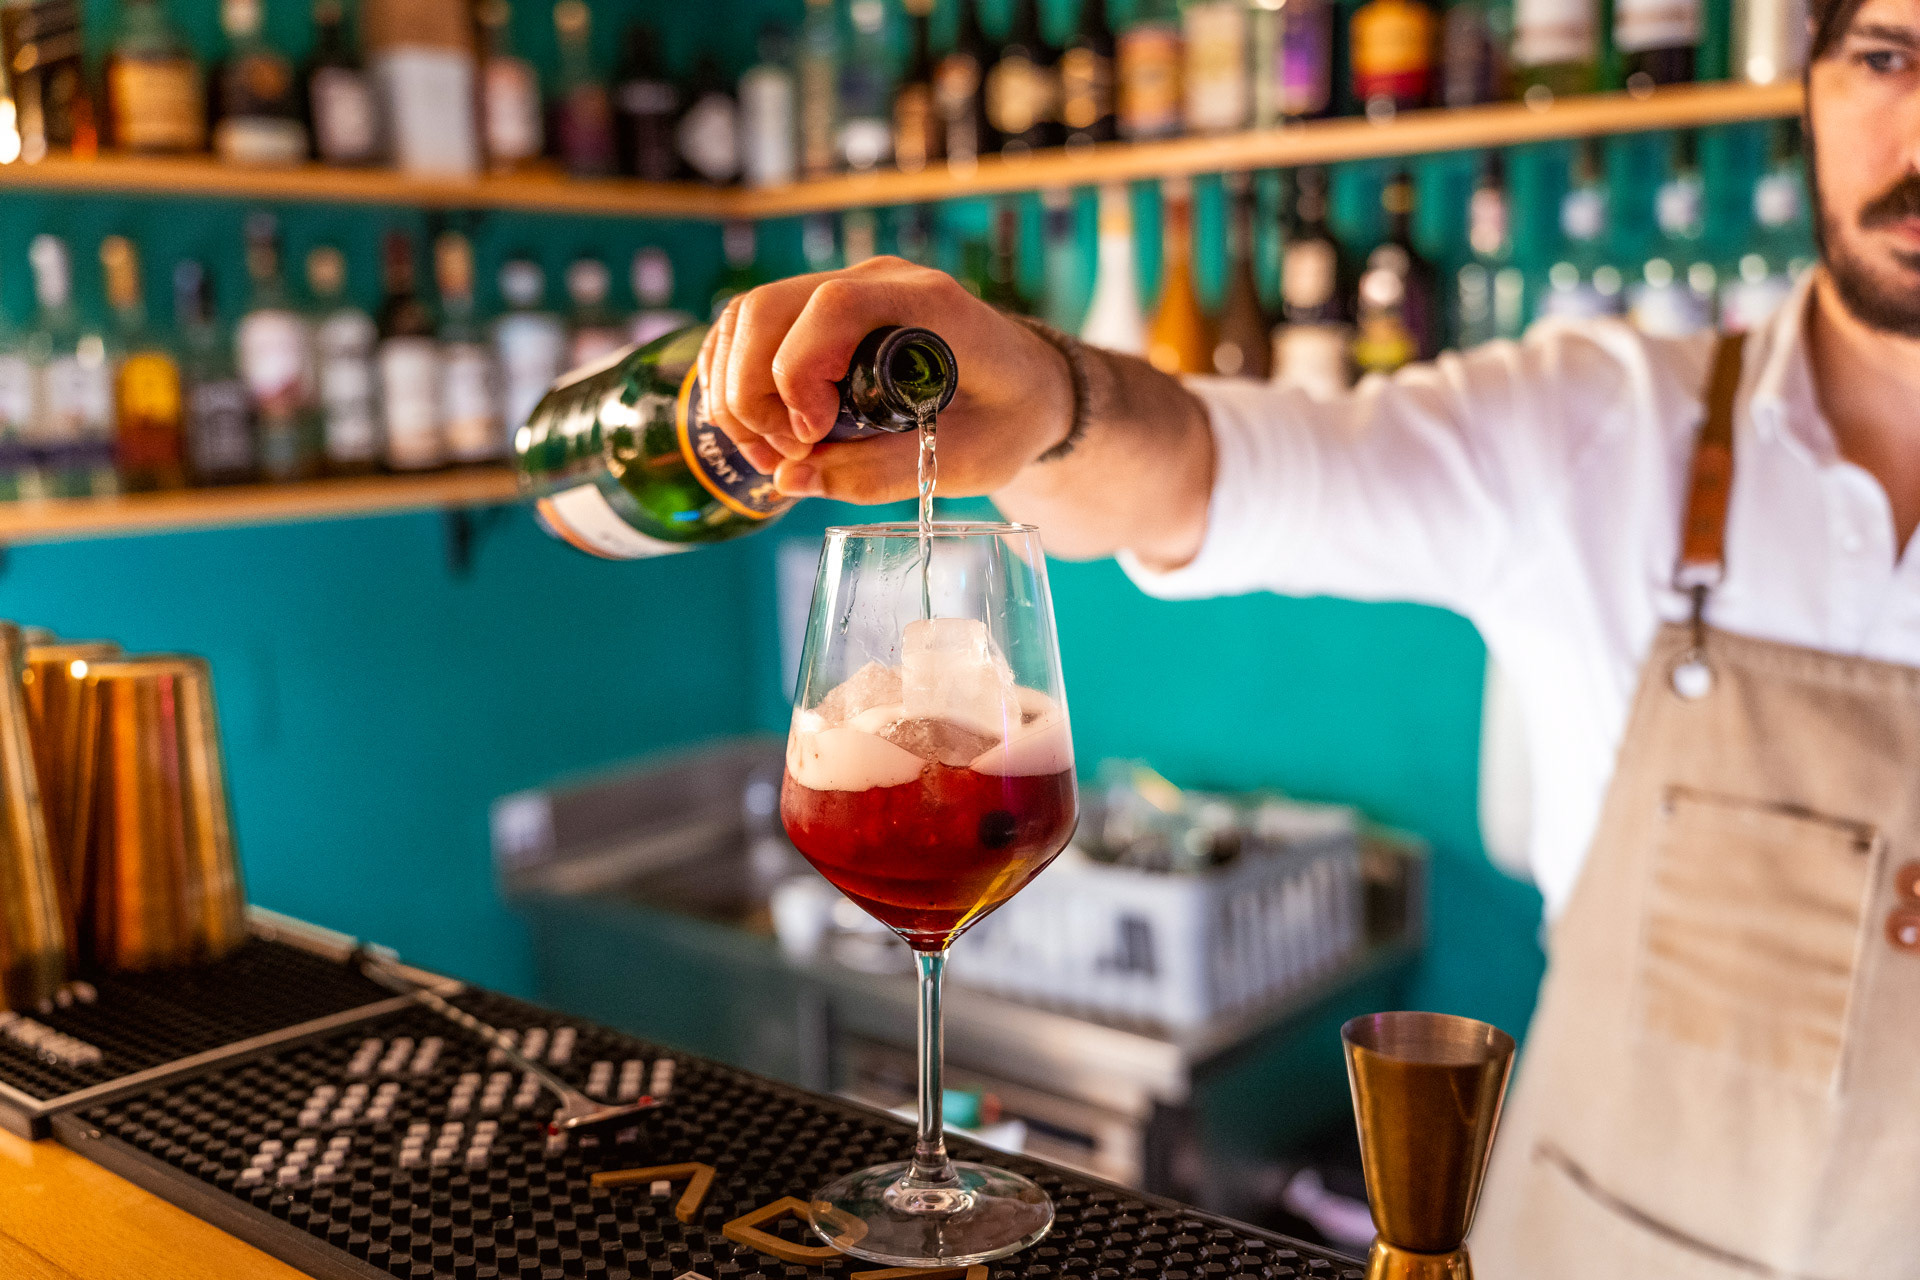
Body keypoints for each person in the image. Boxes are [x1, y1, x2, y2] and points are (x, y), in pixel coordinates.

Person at [700, 0, 1920, 1272]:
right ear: (1810, 78)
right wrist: (1046, 398)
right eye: (1889, 56)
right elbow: (1214, 469)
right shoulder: (1607, 423)